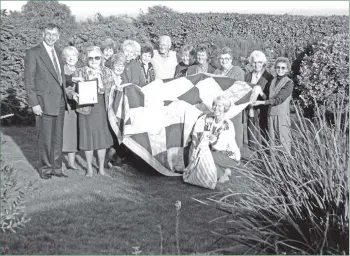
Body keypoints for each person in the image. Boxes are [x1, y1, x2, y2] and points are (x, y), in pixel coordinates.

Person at [24, 23, 68, 179]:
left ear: (58, 36)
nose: (51, 37)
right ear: (43, 34)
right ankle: (46, 169)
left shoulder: (58, 52)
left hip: (60, 101)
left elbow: (60, 78)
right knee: (45, 138)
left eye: (54, 34)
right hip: (43, 102)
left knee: (57, 137)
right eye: (48, 33)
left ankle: (57, 168)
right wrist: (34, 103)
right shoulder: (33, 52)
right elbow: (29, 81)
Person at [73, 46, 115, 177]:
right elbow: (70, 89)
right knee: (88, 138)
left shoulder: (107, 72)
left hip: (102, 108)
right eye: (90, 58)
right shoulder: (79, 72)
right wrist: (73, 94)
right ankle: (90, 169)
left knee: (101, 138)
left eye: (97, 57)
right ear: (86, 59)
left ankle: (101, 169)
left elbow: (112, 89)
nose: (94, 60)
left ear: (101, 59)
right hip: (85, 109)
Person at [191, 95, 241, 183]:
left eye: (220, 106)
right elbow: (199, 130)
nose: (216, 108)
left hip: (230, 156)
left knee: (203, 155)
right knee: (198, 152)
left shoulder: (227, 124)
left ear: (225, 108)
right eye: (214, 105)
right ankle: (224, 170)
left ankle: (221, 175)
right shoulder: (210, 120)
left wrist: (212, 140)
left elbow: (220, 146)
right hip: (216, 153)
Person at [252, 57, 294, 153]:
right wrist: (260, 93)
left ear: (287, 69)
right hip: (271, 115)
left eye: (283, 68)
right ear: (275, 68)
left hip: (282, 116)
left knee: (284, 142)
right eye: (278, 67)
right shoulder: (272, 81)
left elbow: (278, 99)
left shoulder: (289, 83)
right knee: (272, 142)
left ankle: (287, 165)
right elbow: (269, 98)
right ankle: (274, 165)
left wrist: (261, 102)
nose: (280, 69)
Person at [213, 47, 245, 149]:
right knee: (221, 130)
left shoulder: (237, 71)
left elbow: (238, 88)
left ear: (231, 60)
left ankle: (236, 156)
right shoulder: (216, 72)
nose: (224, 61)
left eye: (226, 59)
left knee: (234, 130)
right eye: (222, 59)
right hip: (220, 108)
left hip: (234, 106)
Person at [245, 50, 273, 149]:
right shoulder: (247, 76)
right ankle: (253, 157)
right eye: (255, 62)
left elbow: (269, 98)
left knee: (263, 136)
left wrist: (260, 92)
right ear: (251, 63)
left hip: (262, 111)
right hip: (250, 110)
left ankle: (264, 158)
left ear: (264, 63)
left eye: (259, 62)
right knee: (251, 136)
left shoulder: (268, 77)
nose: (257, 65)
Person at [62, 46, 80, 170]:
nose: (71, 58)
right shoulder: (62, 70)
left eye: (73, 56)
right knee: (64, 134)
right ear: (64, 58)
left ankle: (71, 163)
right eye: (68, 56)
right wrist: (71, 94)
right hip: (65, 106)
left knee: (73, 135)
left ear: (77, 57)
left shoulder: (80, 71)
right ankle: (60, 162)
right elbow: (63, 86)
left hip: (78, 106)